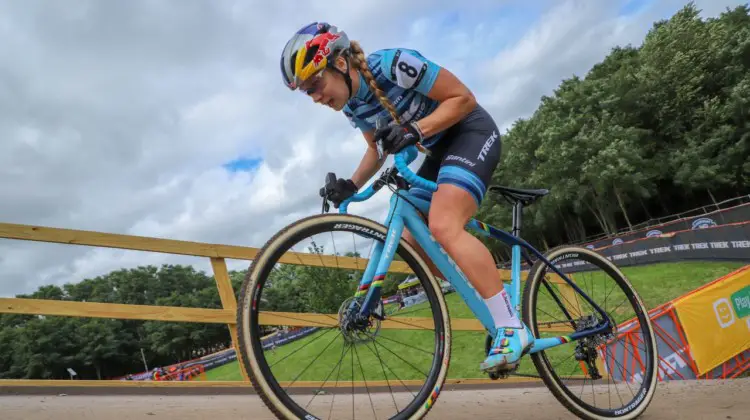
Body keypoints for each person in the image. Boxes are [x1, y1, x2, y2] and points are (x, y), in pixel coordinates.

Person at [280, 21, 533, 374]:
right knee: (414, 244)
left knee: (444, 225)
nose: (316, 97)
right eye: (307, 92)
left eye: (315, 84)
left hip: (469, 131)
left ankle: (511, 326)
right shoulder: (353, 104)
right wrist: (351, 185)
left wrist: (415, 130)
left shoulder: (393, 65)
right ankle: (494, 305)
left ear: (340, 63)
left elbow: (463, 98)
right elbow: (375, 148)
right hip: (436, 149)